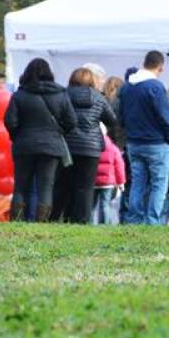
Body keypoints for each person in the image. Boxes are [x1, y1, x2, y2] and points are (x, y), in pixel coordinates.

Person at [5, 58, 77, 222]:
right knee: (46, 186)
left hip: (24, 145)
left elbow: (10, 121)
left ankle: (16, 221)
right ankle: (41, 222)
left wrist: (18, 136)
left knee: (21, 186)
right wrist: (58, 132)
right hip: (51, 146)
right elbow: (72, 121)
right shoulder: (61, 94)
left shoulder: (20, 95)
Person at [53, 67, 117, 223]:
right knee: (86, 187)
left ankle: (59, 218)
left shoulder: (63, 95)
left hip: (67, 146)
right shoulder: (98, 98)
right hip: (91, 148)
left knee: (64, 184)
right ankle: (82, 221)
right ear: (92, 81)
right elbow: (112, 120)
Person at [118, 50, 169, 225]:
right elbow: (164, 116)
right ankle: (153, 220)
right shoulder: (155, 87)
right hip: (156, 142)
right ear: (160, 67)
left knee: (137, 182)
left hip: (134, 142)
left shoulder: (126, 87)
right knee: (159, 183)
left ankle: (134, 218)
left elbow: (121, 116)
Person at [92, 127, 125, 225]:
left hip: (94, 180)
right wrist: (121, 182)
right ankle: (105, 225)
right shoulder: (113, 148)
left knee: (91, 205)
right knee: (105, 204)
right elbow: (119, 166)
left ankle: (90, 223)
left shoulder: (92, 144)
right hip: (108, 182)